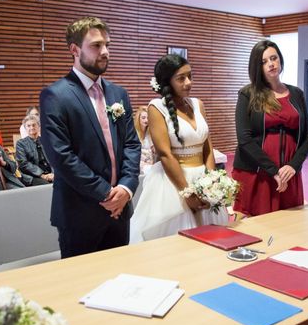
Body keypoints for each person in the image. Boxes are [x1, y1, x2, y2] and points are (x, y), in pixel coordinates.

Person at [39, 16, 140, 258]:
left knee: (120, 282)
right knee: (80, 288)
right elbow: (61, 156)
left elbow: (132, 144)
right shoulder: (55, 95)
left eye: (107, 44)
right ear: (74, 50)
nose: (105, 51)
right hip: (80, 213)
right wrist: (106, 194)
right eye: (96, 45)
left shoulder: (118, 93)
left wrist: (126, 188)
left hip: (120, 210)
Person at [129, 54, 228, 242]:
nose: (188, 82)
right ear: (168, 81)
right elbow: (165, 153)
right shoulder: (157, 107)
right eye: (181, 78)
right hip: (174, 182)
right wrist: (187, 193)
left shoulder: (198, 104)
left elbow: (207, 145)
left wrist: (212, 181)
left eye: (190, 76)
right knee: (177, 242)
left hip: (203, 179)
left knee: (213, 239)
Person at [231, 40, 308, 216]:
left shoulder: (297, 94)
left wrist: (293, 166)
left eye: (273, 58)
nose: (271, 64)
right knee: (255, 230)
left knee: (291, 226)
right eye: (264, 61)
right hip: (257, 173)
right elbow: (245, 139)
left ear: (280, 60)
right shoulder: (247, 94)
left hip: (289, 175)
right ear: (256, 67)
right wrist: (274, 171)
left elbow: (307, 137)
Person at [15, 115, 53, 186]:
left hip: (50, 173)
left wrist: (53, 174)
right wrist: (42, 175)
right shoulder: (21, 144)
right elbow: (23, 164)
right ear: (25, 128)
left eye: (34, 125)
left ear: (39, 126)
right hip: (32, 176)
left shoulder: (46, 141)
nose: (31, 127)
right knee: (47, 186)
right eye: (28, 126)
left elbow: (54, 159)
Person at [134, 106, 155, 173]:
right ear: (138, 119)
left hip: (150, 163)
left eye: (148, 118)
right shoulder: (134, 133)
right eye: (143, 118)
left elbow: (154, 150)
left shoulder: (149, 133)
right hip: (137, 163)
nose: (146, 120)